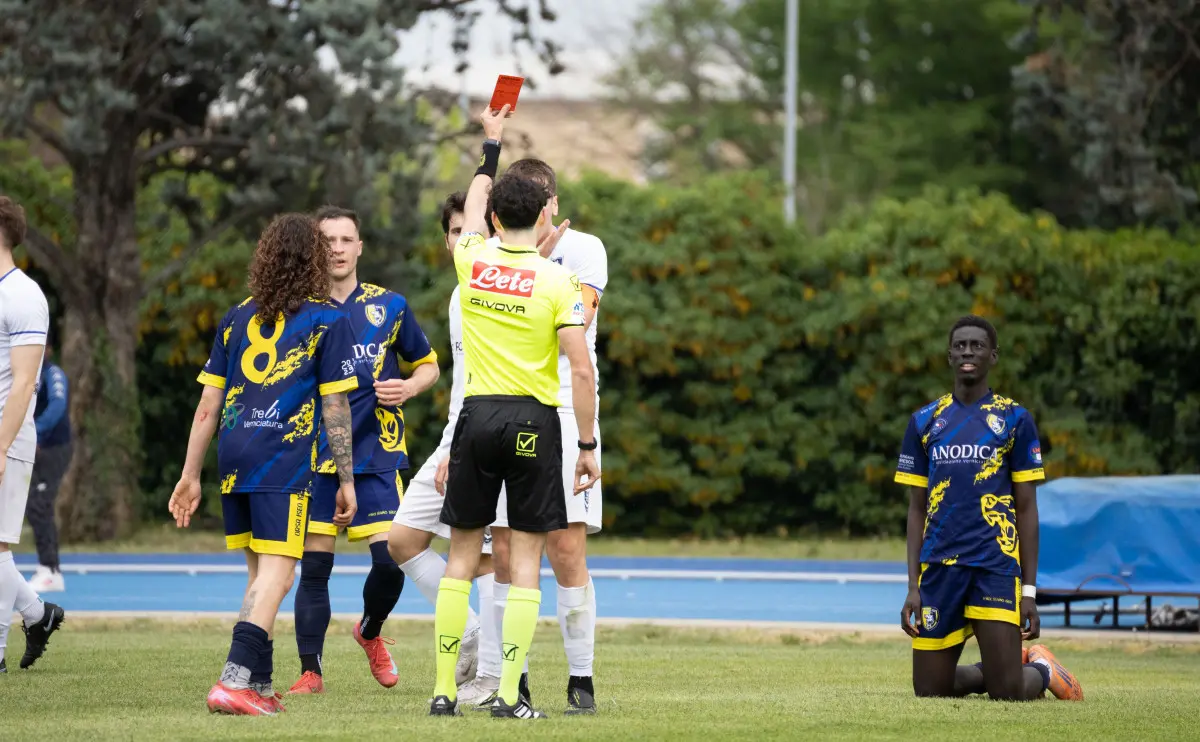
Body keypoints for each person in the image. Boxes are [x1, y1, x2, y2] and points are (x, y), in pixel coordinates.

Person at [428, 104, 600, 719]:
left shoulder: (471, 258)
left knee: (460, 557)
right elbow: (580, 370)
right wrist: (586, 447)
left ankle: (445, 690)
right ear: (544, 214)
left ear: (498, 219)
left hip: (475, 418)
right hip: (534, 422)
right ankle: (508, 697)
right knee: (525, 560)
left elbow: (471, 205)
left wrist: (491, 142)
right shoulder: (557, 283)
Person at [169, 213, 360, 715]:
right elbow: (336, 408)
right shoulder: (328, 319)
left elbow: (208, 405)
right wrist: (346, 480)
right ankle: (232, 681)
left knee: (260, 574)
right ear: (315, 260)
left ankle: (257, 682)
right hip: (284, 457)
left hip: (235, 454)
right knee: (279, 572)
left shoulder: (236, 317)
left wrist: (190, 474)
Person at [389, 193, 572, 707]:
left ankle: (492, 679)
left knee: (498, 556)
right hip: (468, 430)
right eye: (450, 233)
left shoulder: (489, 274)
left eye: (462, 231)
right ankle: (471, 643)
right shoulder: (463, 288)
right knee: (402, 539)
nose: (458, 240)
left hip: (486, 427)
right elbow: (464, 380)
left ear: (489, 226)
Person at [287, 206, 440, 695]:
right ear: (316, 246)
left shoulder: (389, 306)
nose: (336, 247)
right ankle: (311, 672)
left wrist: (409, 388)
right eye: (327, 239)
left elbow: (429, 366)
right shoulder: (297, 309)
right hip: (311, 456)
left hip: (377, 452)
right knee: (315, 568)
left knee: (390, 562)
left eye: (345, 239)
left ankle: (369, 632)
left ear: (360, 247)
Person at [895, 315, 1083, 702]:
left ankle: (1041, 670)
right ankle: (993, 671)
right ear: (949, 355)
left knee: (1009, 693)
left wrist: (1028, 593)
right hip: (940, 570)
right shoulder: (924, 421)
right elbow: (916, 511)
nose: (967, 351)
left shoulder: (1014, 419)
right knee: (930, 691)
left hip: (994, 568)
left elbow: (1027, 509)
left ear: (993, 356)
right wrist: (913, 587)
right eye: (960, 345)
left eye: (977, 345)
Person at [484, 157, 607, 714]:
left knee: (565, 548)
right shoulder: (491, 253)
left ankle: (581, 679)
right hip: (506, 411)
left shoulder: (584, 250)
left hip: (563, 412)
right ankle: (517, 677)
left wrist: (525, 265)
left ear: (553, 203)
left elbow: (570, 330)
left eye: (541, 198)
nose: (533, 208)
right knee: (506, 550)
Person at [0, 195, 65, 674]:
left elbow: (25, 382)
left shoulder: (23, 295)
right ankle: (39, 615)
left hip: (8, 437)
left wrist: (1, 445)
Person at [27, 345, 72, 593]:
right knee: (33, 505)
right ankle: (49, 568)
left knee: (39, 503)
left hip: (54, 449)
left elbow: (57, 406)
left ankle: (50, 570)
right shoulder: (23, 373)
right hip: (33, 447)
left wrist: (35, 432)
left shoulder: (52, 373)